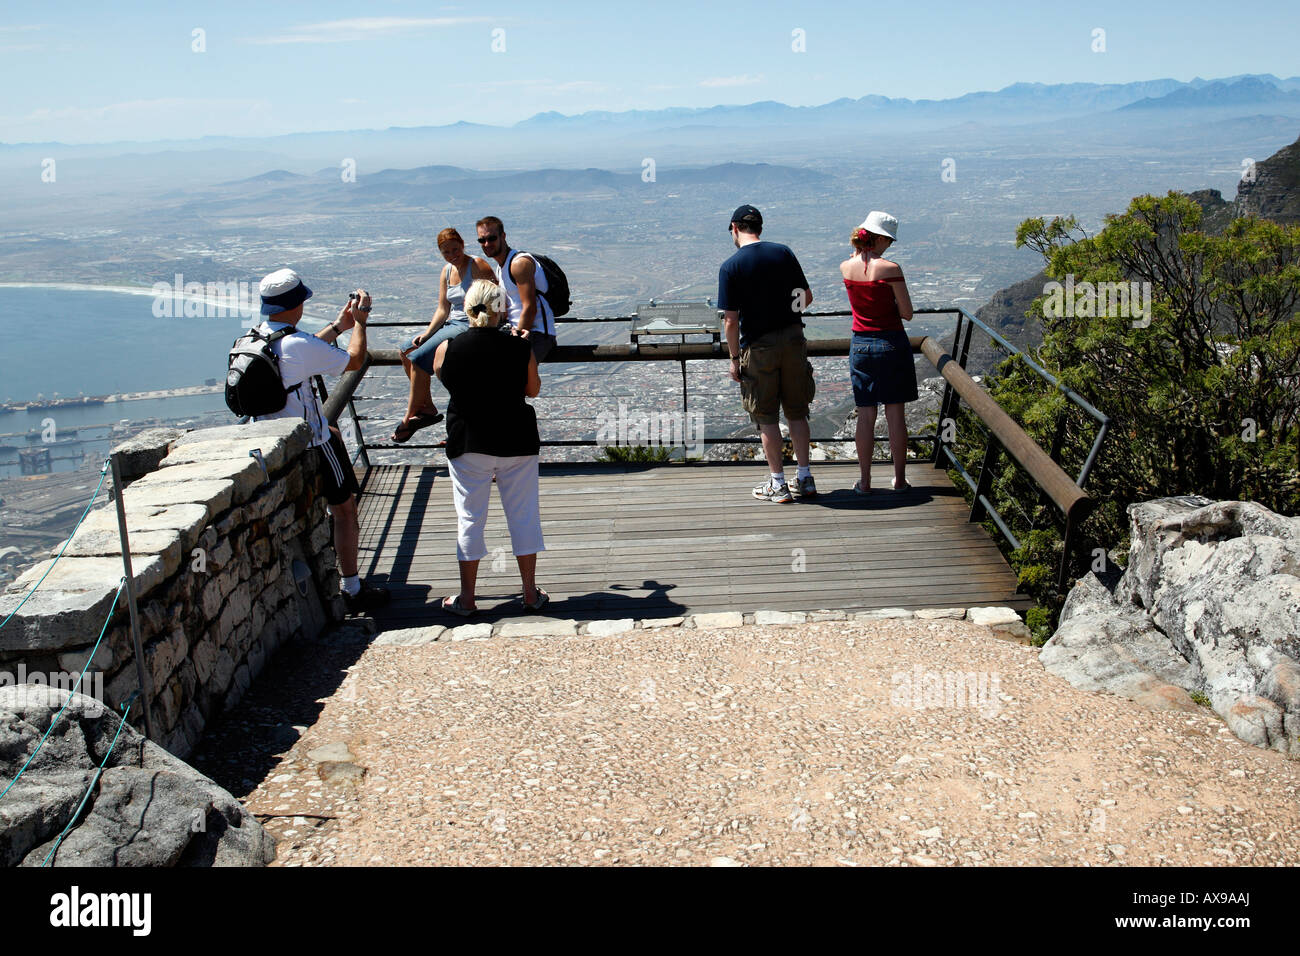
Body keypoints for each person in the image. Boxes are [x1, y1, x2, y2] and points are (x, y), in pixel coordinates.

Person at [249, 268, 390, 613]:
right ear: (296, 303)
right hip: (312, 442)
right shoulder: (296, 344)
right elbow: (353, 360)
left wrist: (338, 326)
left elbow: (303, 352)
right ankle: (353, 587)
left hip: (268, 443)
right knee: (344, 510)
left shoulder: (254, 338)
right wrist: (360, 322)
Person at [433, 278, 547, 615]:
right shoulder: (519, 347)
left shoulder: (448, 348)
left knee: (470, 518)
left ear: (467, 309)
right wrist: (518, 348)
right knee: (524, 516)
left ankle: (467, 600)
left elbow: (446, 379)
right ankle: (529, 593)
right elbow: (533, 389)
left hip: (469, 441)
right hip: (517, 439)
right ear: (502, 310)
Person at [717, 204, 817, 503]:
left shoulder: (731, 267)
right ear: (759, 227)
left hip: (758, 347)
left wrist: (735, 360)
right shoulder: (783, 253)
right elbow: (806, 297)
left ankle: (778, 484)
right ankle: (805, 477)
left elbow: (731, 320)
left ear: (734, 228)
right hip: (793, 338)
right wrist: (785, 314)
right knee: (798, 412)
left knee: (766, 416)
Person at [392, 227, 496, 443]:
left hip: (471, 323)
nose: (452, 255)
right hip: (451, 323)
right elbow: (442, 308)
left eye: (455, 250)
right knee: (406, 350)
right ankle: (427, 406)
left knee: (419, 359)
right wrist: (428, 333)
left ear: (463, 245)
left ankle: (409, 417)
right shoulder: (447, 271)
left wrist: (479, 330)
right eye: (446, 252)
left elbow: (493, 300)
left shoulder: (477, 266)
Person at [840, 211, 917, 493]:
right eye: (889, 241)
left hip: (860, 344)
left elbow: (856, 261)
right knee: (895, 414)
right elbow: (906, 313)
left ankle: (865, 481)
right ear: (881, 238)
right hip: (891, 343)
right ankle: (899, 480)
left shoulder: (845, 267)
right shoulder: (890, 269)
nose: (890, 246)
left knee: (865, 414)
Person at [474, 216, 557, 362]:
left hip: (536, 333)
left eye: (491, 238)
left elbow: (530, 307)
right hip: (515, 332)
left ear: (503, 236)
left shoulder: (519, 264)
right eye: (482, 240)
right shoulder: (501, 268)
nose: (487, 244)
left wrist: (516, 340)